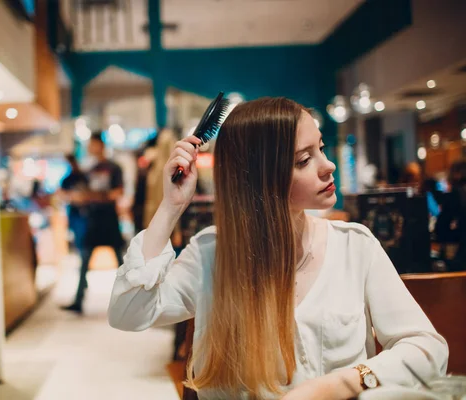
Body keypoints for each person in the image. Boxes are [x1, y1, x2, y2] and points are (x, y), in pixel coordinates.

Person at [108, 98, 448, 399]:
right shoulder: (212, 255)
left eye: (321, 147)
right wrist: (170, 207)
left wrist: (342, 384)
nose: (327, 165)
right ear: (258, 177)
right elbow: (129, 312)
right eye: (303, 160)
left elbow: (427, 349)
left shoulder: (353, 247)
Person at [62, 133, 125, 314]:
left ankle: (132, 300)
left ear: (100, 145)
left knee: (121, 262)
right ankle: (79, 299)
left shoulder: (114, 168)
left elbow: (118, 192)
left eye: (92, 144)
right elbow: (79, 190)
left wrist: (96, 197)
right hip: (92, 220)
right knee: (84, 260)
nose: (90, 147)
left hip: (109, 219)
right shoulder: (89, 170)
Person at [60, 154, 89, 255]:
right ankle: (83, 257)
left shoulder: (84, 177)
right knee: (79, 238)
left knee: (86, 239)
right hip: (75, 213)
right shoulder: (66, 180)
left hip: (86, 212)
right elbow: (62, 195)